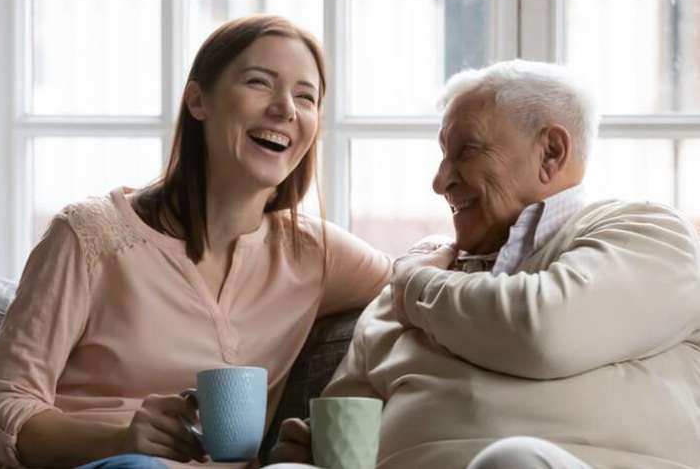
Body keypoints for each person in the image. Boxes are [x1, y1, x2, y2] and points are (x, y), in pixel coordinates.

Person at [0, 15, 391, 469]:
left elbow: (424, 279)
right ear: (197, 100)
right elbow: (1, 409)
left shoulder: (315, 255)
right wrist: (121, 440)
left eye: (306, 97)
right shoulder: (89, 236)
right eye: (259, 82)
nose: (286, 108)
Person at [268, 60, 700, 469]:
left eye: (466, 151)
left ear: (550, 152)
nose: (440, 181)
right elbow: (347, 423)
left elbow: (543, 332)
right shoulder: (400, 296)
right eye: (443, 155)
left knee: (511, 462)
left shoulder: (649, 235)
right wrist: (314, 450)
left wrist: (417, 282)